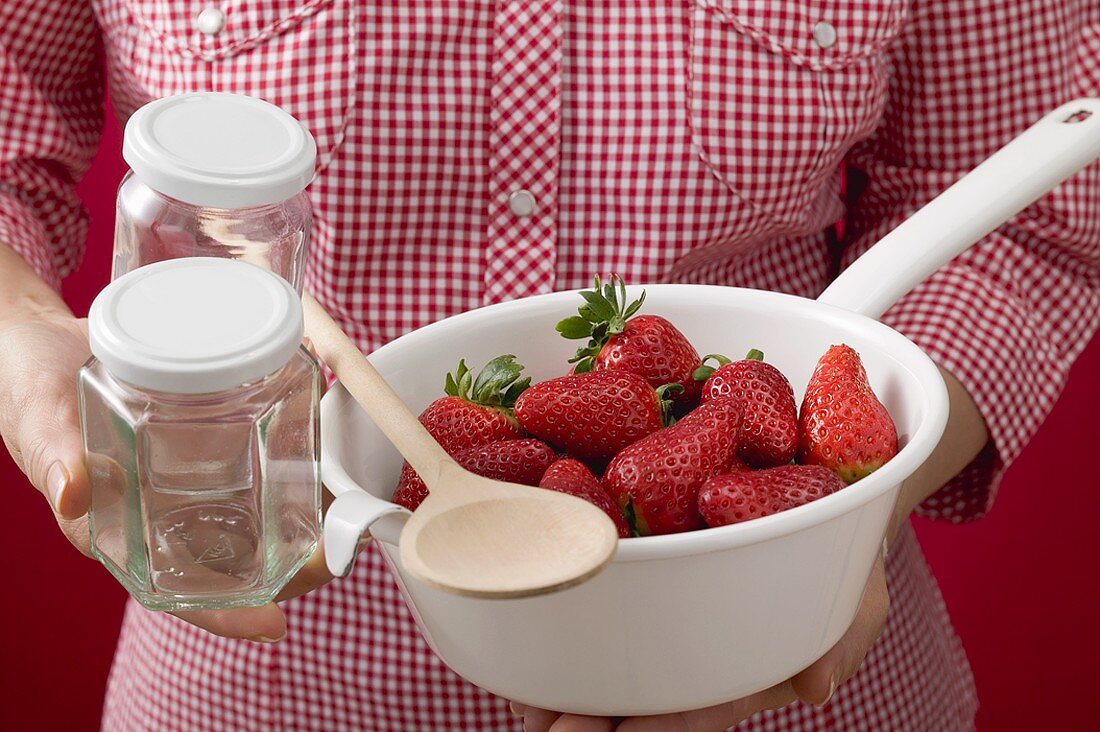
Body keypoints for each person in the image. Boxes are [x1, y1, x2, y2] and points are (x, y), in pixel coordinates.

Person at [1, 1, 1096, 729]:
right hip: (263, 666)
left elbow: (1027, 218)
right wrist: (28, 347)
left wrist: (840, 512)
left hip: (792, 674)